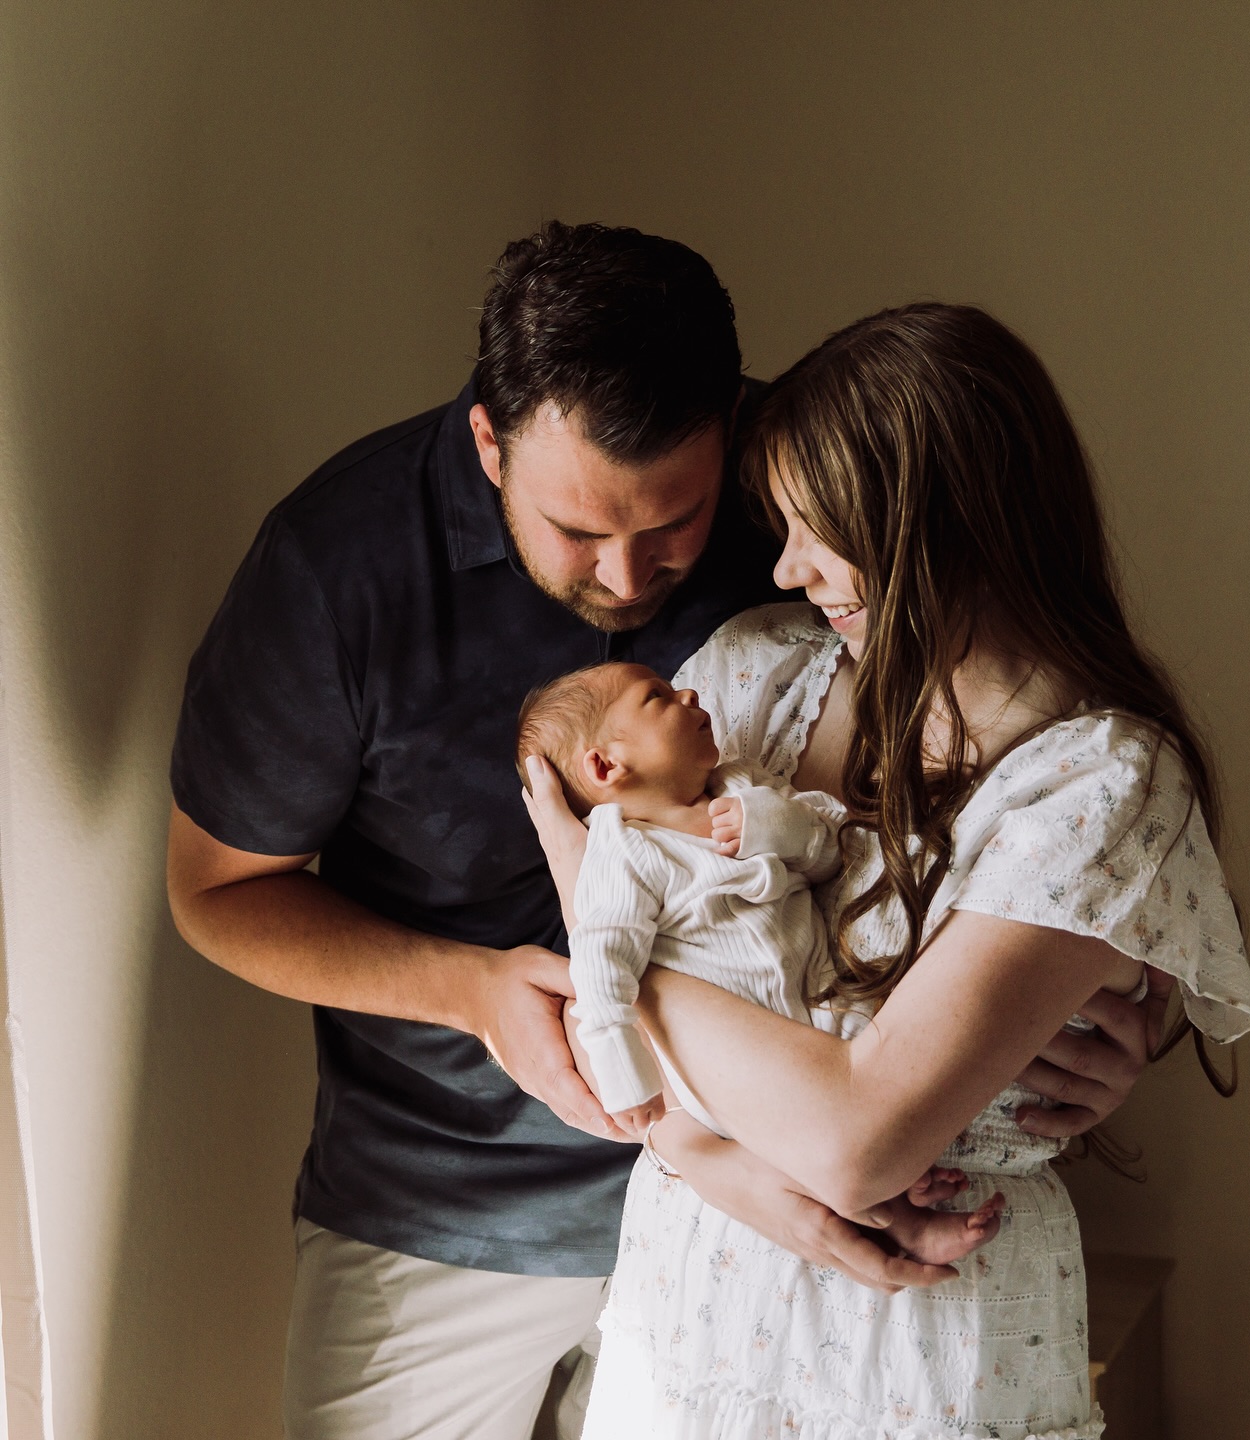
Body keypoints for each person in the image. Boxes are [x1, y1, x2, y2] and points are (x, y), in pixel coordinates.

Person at [165, 218, 1158, 1440]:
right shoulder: (336, 571)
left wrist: (1093, 1034)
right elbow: (215, 890)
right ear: (489, 443)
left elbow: (1018, 824)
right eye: (580, 531)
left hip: (782, 1193)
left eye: (673, 524)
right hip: (448, 1204)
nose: (631, 577)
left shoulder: (803, 526)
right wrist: (477, 992)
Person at [525, 303, 1250, 1439]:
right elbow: (619, 1068)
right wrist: (718, 1168)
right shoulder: (755, 679)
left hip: (912, 1332)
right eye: (781, 525)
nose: (787, 565)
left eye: (822, 529)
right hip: (695, 1284)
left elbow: (857, 1142)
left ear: (951, 515)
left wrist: (605, 930)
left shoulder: (1101, 783)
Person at [516, 660, 1005, 1265]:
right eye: (658, 696)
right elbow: (601, 965)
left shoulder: (742, 786)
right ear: (605, 766)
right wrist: (621, 1068)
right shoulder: (624, 854)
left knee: (883, 1070)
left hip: (819, 998)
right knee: (807, 1140)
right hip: (731, 1059)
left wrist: (782, 828)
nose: (689, 690)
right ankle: (907, 1221)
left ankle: (899, 1191)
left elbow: (830, 856)